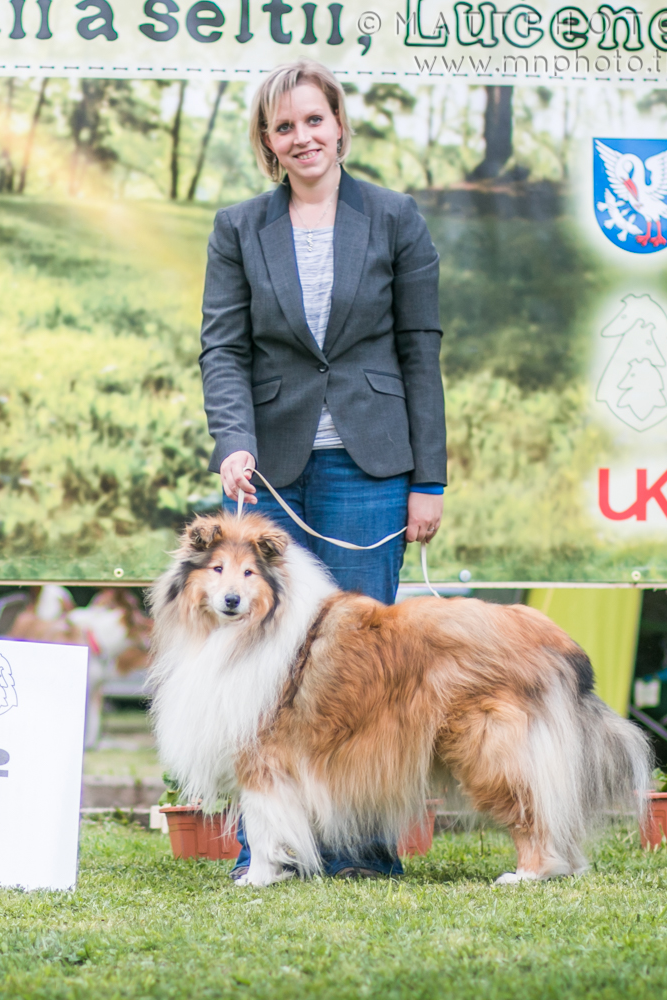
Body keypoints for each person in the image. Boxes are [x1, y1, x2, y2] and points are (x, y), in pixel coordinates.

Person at [198, 58, 445, 880]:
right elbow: (222, 349)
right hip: (268, 472)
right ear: (266, 143)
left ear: (338, 124)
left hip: (371, 469)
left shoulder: (395, 218)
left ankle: (360, 850)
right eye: (283, 127)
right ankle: (267, 846)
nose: (301, 137)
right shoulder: (238, 227)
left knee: (360, 667)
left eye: (313, 120)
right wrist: (233, 441)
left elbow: (419, 351)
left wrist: (428, 480)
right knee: (257, 666)